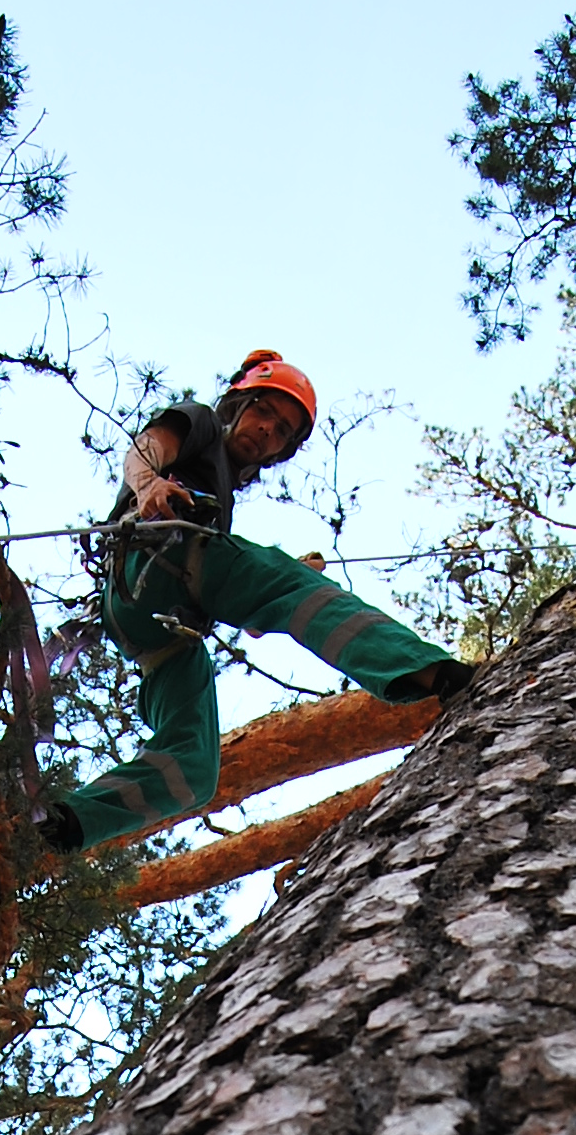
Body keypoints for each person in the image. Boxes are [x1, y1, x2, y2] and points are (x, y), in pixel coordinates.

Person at [34, 349, 472, 856]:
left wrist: (278, 587)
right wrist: (150, 485)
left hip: (153, 624)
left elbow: (256, 619)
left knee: (195, 769)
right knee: (295, 588)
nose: (268, 430)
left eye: (283, 430)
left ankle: (60, 826)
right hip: (159, 558)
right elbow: (145, 448)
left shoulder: (223, 492)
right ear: (238, 405)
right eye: (264, 411)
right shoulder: (201, 423)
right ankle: (435, 673)